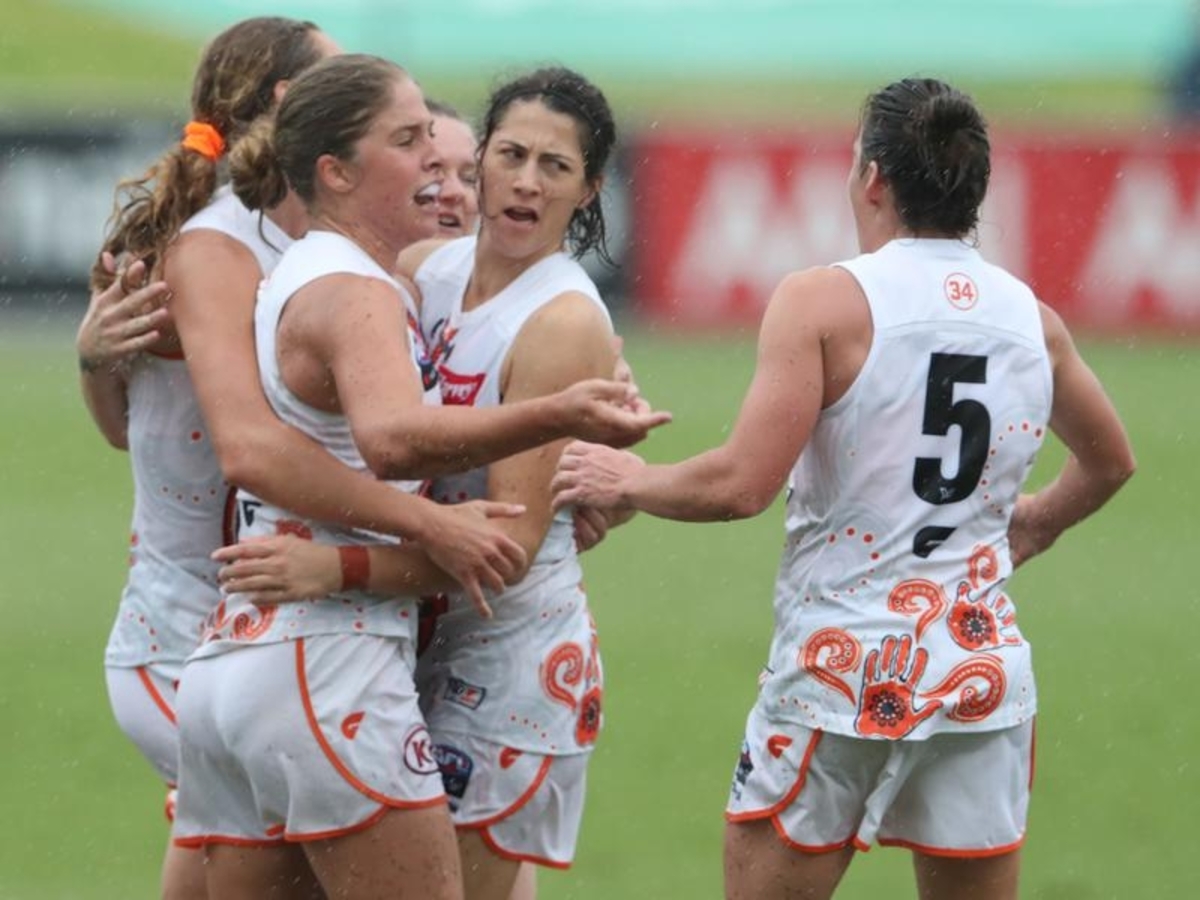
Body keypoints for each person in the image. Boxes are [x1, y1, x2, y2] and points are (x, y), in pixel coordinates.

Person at [550, 77, 1136, 900]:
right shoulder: (1031, 320)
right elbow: (1110, 461)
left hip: (843, 670)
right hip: (978, 670)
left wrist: (632, 478)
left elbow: (741, 485)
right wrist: (1036, 523)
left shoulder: (823, 301)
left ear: (872, 178)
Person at [171, 55, 665, 900]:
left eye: (556, 166)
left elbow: (504, 552)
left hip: (501, 656)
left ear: (590, 191)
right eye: (511, 155)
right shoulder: (416, 272)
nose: (526, 182)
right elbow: (380, 429)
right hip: (389, 636)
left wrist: (339, 566)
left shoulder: (561, 320)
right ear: (481, 158)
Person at [79, 18, 342, 900]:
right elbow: (152, 430)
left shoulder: (297, 234)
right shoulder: (211, 245)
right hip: (186, 647)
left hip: (263, 636)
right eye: (340, 74)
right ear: (288, 100)